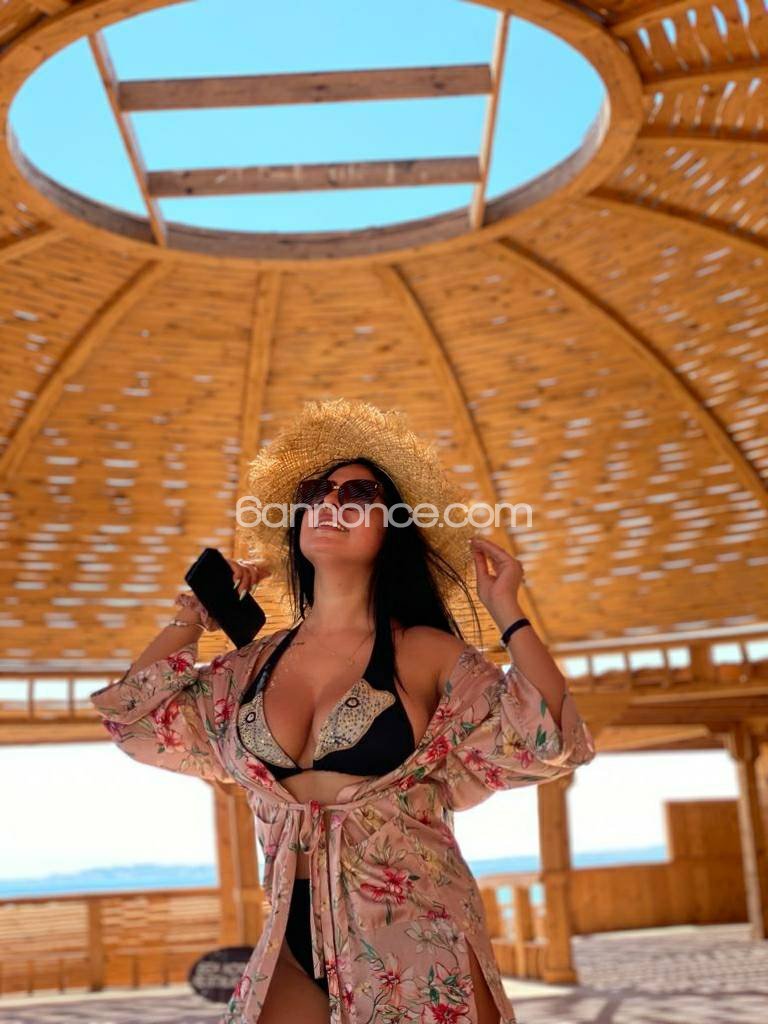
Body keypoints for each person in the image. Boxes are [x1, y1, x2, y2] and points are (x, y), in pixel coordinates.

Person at [90, 397, 596, 1024]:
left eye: (358, 494)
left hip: (416, 934)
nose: (330, 503)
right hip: (288, 934)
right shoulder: (251, 667)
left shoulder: (424, 652)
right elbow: (137, 719)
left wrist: (508, 610)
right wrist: (192, 617)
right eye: (316, 493)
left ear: (392, 529)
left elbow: (548, 733)